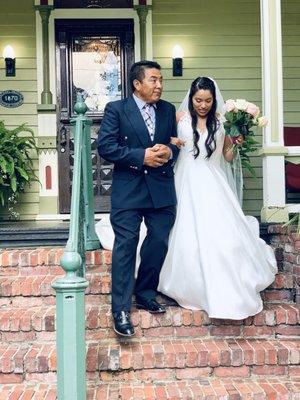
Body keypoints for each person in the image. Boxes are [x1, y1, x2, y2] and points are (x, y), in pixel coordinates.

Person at [157, 77, 277, 319]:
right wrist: (170, 141)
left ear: (214, 100)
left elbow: (228, 157)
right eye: (198, 100)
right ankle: (187, 283)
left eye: (208, 101)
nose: (203, 105)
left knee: (221, 234)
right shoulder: (179, 117)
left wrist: (237, 144)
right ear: (191, 98)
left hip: (213, 180)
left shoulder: (222, 122)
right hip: (185, 179)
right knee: (185, 231)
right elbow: (164, 142)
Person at [97, 60, 180, 337]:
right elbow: (106, 147)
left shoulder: (168, 110)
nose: (159, 85)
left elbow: (174, 144)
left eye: (160, 80)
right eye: (153, 80)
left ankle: (145, 292)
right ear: (137, 84)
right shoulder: (116, 109)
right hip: (129, 189)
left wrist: (169, 152)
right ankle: (120, 309)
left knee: (157, 241)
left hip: (161, 190)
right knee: (126, 244)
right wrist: (140, 156)